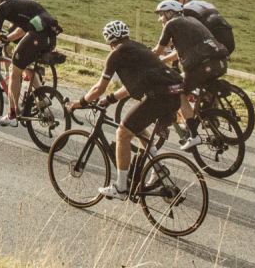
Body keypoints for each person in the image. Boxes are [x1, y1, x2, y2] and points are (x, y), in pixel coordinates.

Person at [69, 20, 182, 199]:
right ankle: (160, 170)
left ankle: (121, 187)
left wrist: (80, 102)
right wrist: (110, 99)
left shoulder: (116, 54)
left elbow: (99, 88)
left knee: (122, 133)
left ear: (110, 42)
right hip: (173, 95)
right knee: (136, 128)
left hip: (158, 97)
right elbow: (134, 85)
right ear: (126, 35)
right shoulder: (140, 48)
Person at [153, 0, 228, 149]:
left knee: (180, 93)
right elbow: (177, 51)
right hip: (220, 62)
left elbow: (158, 50)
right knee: (192, 86)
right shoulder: (191, 20)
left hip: (202, 66)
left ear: (170, 13)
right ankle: (207, 114)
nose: (159, 19)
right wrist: (165, 60)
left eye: (161, 15)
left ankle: (194, 135)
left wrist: (147, 58)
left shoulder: (171, 24)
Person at [170, 0, 236, 59]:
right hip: (229, 36)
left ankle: (174, 67)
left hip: (212, 36)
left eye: (176, 1)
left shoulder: (184, 8)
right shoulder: (205, 3)